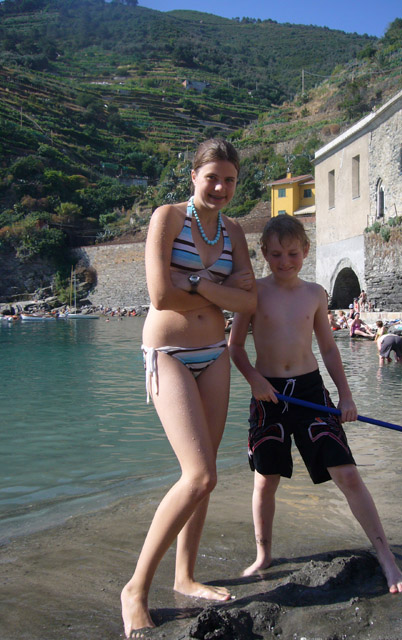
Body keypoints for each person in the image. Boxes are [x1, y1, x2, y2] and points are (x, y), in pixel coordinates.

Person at [228, 215, 402, 595]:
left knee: (347, 474)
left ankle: (386, 557)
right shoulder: (254, 292)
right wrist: (255, 380)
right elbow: (235, 348)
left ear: (306, 252)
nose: (284, 261)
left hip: (311, 393)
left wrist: (345, 395)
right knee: (266, 480)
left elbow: (328, 348)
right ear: (263, 253)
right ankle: (263, 554)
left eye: (292, 253)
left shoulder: (315, 294)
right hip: (268, 395)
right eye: (276, 254)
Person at [121, 139, 257, 639]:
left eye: (230, 180)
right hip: (169, 355)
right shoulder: (167, 217)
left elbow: (249, 302)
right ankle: (135, 589)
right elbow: (160, 294)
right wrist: (218, 286)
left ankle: (184, 576)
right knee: (197, 476)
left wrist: (196, 281)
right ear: (194, 176)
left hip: (214, 355)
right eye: (212, 177)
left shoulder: (235, 230)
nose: (221, 188)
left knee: (209, 474)